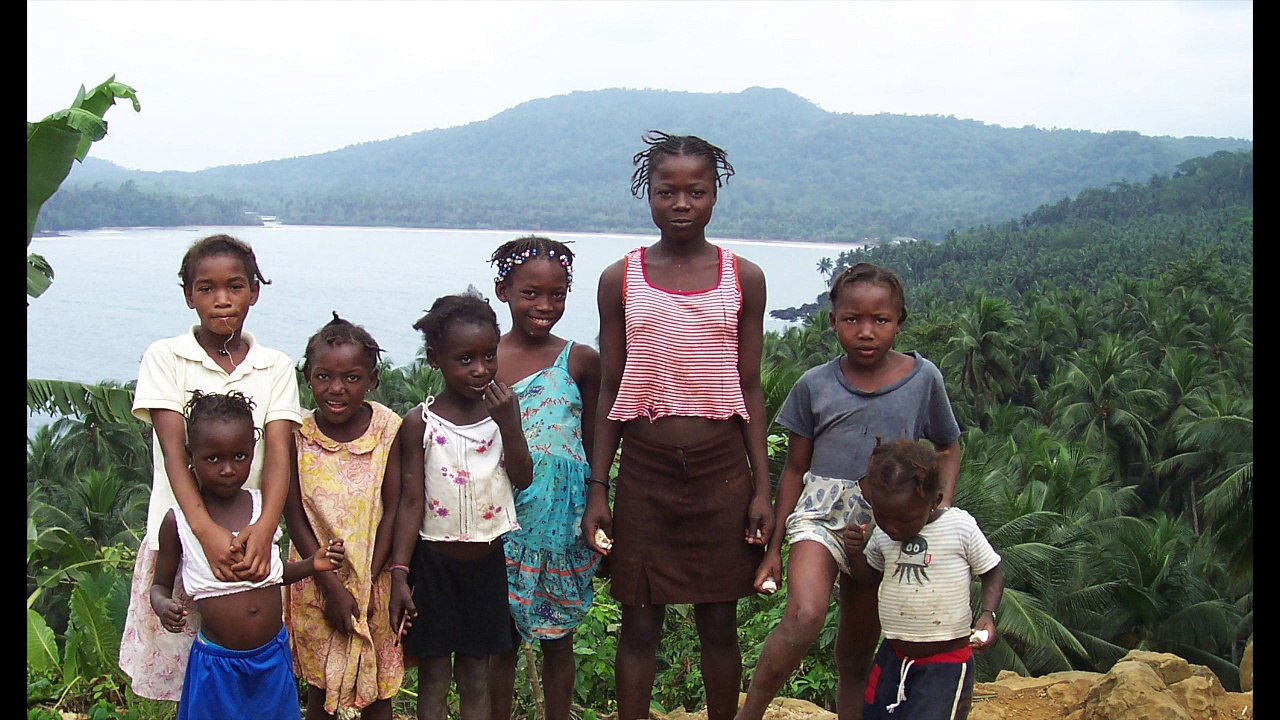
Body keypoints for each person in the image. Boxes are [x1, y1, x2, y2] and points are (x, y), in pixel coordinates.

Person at [580, 130, 773, 720]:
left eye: (697, 191)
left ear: (716, 195)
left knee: (719, 623)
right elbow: (612, 386)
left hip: (721, 473)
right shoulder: (621, 278)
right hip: (644, 470)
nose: (682, 204)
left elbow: (749, 385)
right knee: (639, 623)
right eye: (667, 192)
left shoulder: (745, 277)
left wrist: (762, 490)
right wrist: (598, 488)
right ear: (648, 194)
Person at [736, 262, 963, 720]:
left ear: (899, 321)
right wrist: (775, 548)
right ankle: (750, 713)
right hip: (819, 512)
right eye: (851, 319)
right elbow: (795, 470)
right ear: (833, 321)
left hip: (885, 523)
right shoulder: (814, 385)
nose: (865, 331)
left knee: (856, 652)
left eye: (880, 320)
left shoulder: (923, 379)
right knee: (804, 616)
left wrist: (938, 504)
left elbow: (949, 445)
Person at [120, 233, 304, 701]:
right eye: (206, 288)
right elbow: (173, 452)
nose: (222, 300)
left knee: (247, 669)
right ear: (188, 296)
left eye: (235, 286)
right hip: (182, 541)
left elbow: (280, 453)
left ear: (254, 292)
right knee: (188, 679)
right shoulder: (166, 358)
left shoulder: (275, 366)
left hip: (250, 543)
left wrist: (264, 529)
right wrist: (203, 530)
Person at [149, 390, 347, 720]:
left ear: (253, 453)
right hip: (217, 664)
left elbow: (273, 574)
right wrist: (163, 605)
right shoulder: (178, 521)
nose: (227, 469)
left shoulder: (261, 508)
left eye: (239, 457)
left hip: (272, 657)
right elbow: (159, 585)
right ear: (190, 455)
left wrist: (313, 564)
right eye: (213, 459)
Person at [388, 291, 535, 720]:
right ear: (435, 359)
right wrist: (400, 574)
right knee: (434, 677)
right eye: (465, 359)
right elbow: (411, 501)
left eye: (489, 356)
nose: (481, 369)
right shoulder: (420, 422)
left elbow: (522, 477)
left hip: (487, 565)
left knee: (476, 674)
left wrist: (510, 424)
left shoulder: (503, 413)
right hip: (433, 566)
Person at [485, 236, 603, 720]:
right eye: (530, 293)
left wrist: (600, 504)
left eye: (557, 294)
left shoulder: (580, 360)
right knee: (501, 641)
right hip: (501, 521)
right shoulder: (483, 359)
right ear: (503, 291)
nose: (544, 305)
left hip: (562, 525)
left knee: (560, 640)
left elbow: (595, 442)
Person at [284, 312, 404, 720]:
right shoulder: (296, 433)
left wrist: (369, 581)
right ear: (308, 377)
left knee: (376, 693)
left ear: (371, 379)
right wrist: (331, 586)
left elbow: (394, 508)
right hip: (315, 582)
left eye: (352, 378)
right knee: (322, 689)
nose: (336, 389)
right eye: (323, 377)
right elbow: (293, 511)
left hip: (377, 577)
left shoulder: (389, 428)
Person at [845, 438, 1003, 720]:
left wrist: (988, 615)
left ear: (935, 501)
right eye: (882, 516)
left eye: (905, 519)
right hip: (892, 655)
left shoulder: (959, 526)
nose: (892, 527)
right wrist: (855, 552)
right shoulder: (883, 534)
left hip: (944, 664)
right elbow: (869, 577)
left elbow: (992, 573)